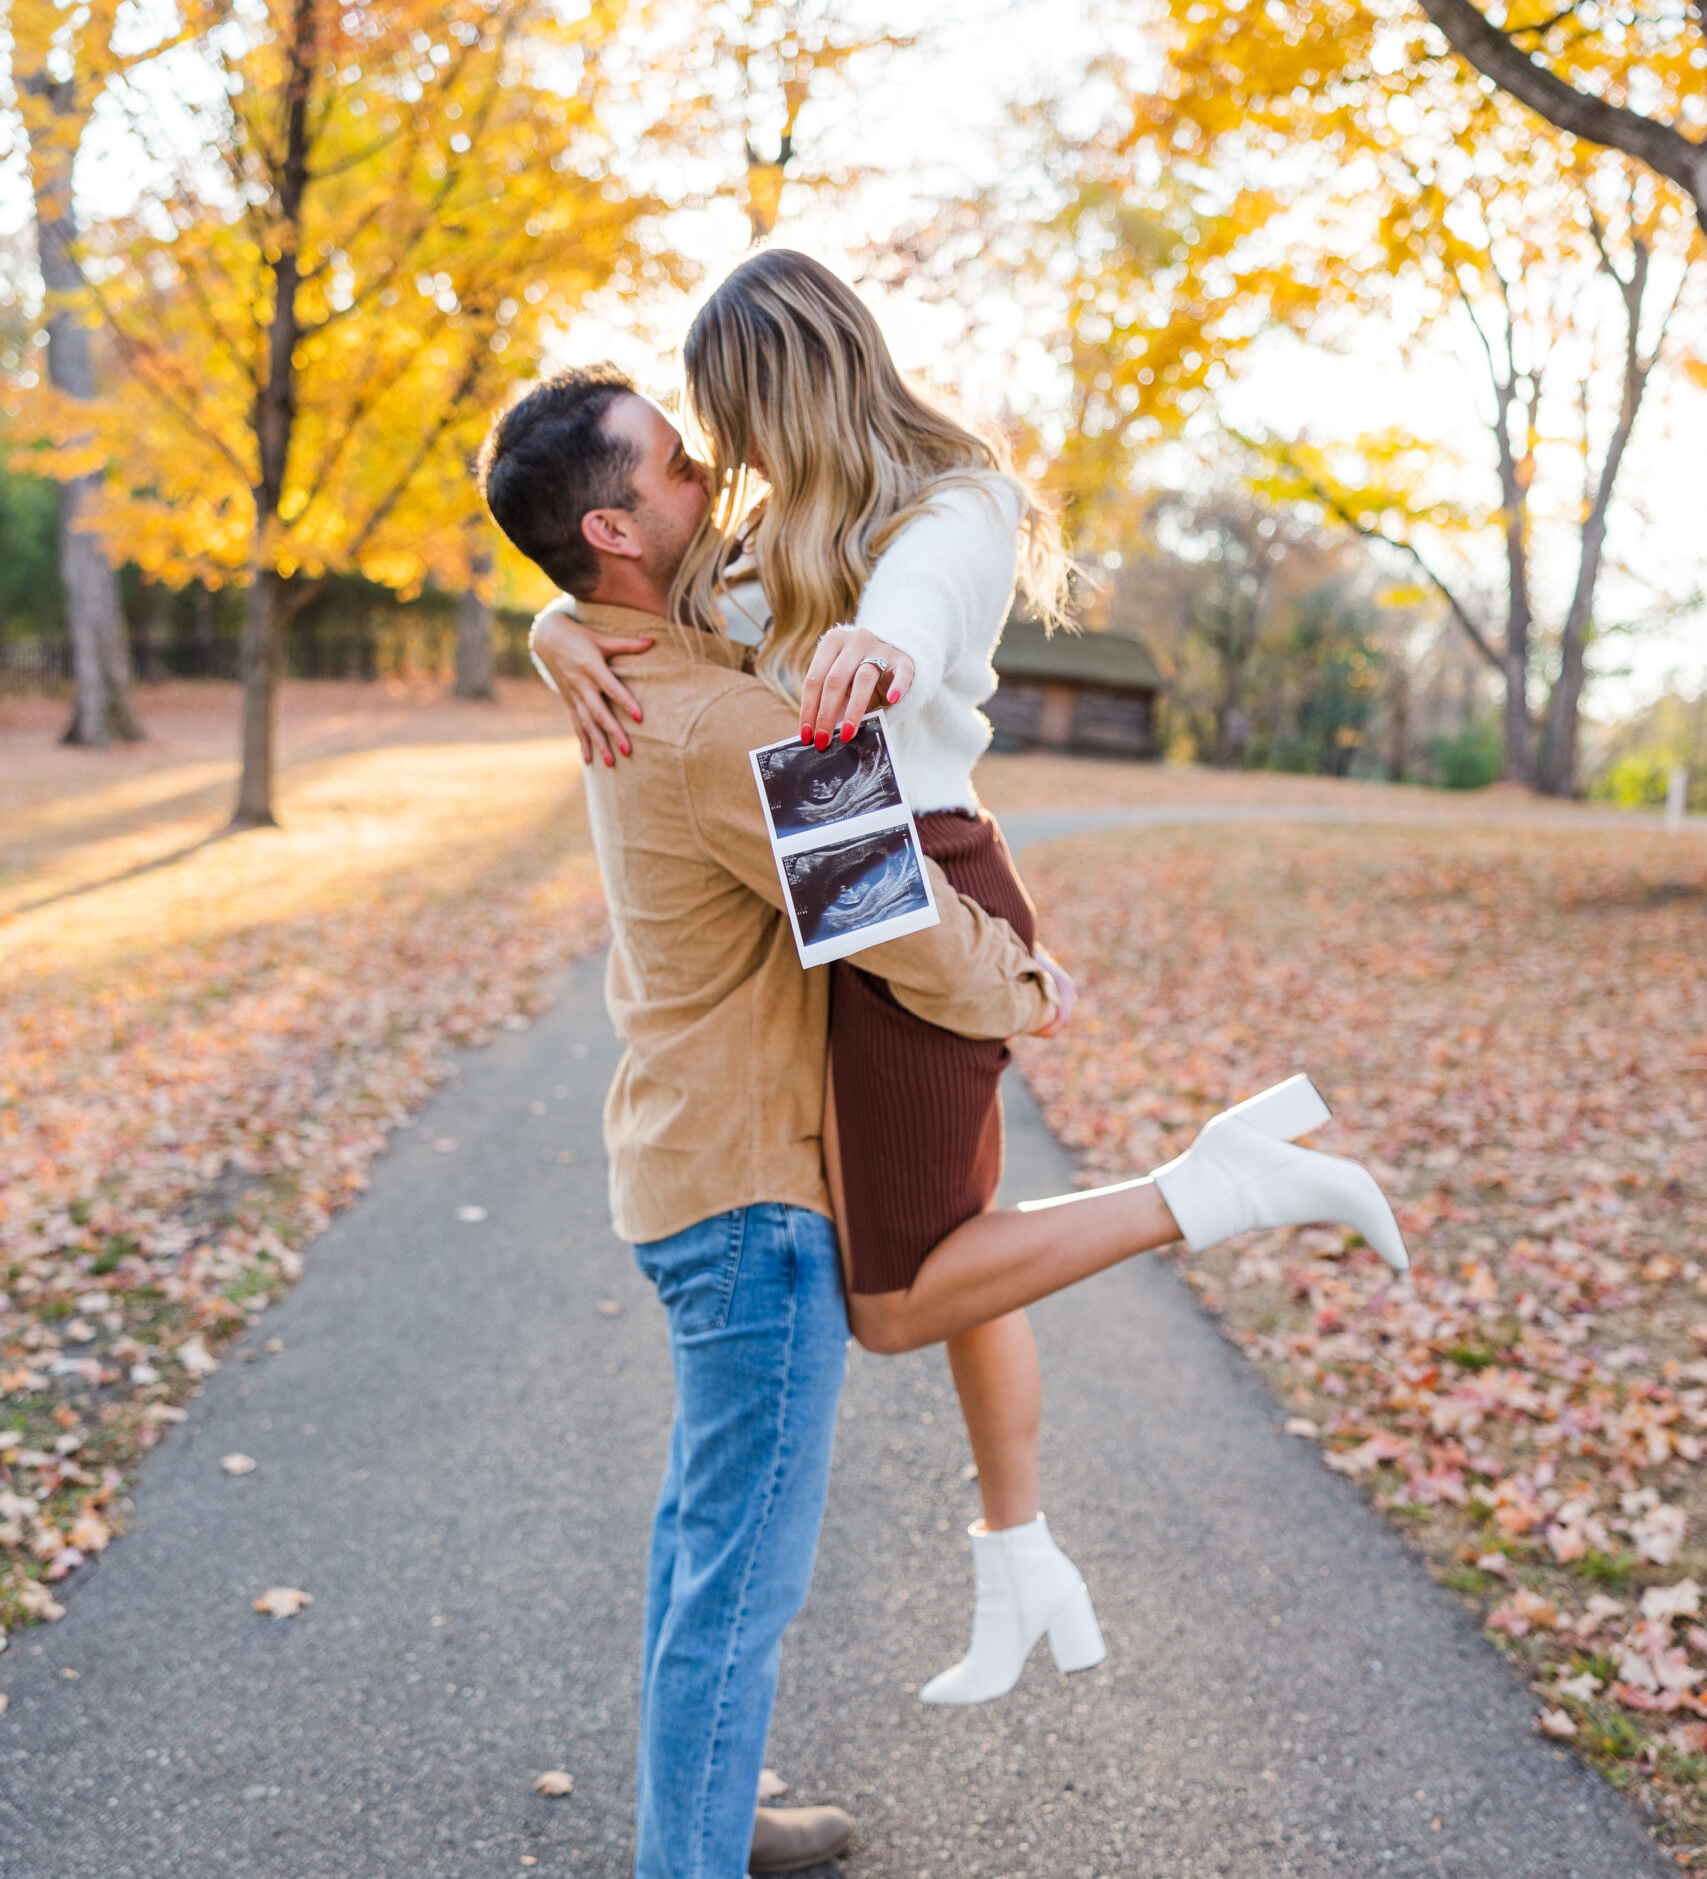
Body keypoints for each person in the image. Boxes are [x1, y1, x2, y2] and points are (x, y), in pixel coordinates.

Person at [530, 252, 1409, 1709]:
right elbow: (645, 592)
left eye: (733, 426)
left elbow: (930, 598)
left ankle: (1217, 1186)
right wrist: (559, 624)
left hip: (907, 878)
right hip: (835, 863)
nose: (726, 463)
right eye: (701, 448)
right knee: (963, 1242)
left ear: (798, 387)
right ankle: (1021, 1559)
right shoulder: (766, 540)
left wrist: (890, 648)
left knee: (897, 1296)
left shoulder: (954, 501)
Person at [478, 366, 1070, 1879]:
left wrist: (554, 626)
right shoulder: (728, 725)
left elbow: (712, 616)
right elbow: (885, 918)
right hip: (747, 1188)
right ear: (615, 529)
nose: (711, 466)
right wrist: (1019, 984)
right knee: (740, 1560)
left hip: (697, 1161)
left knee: (706, 1545)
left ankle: (708, 1818)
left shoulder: (652, 675)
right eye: (677, 464)